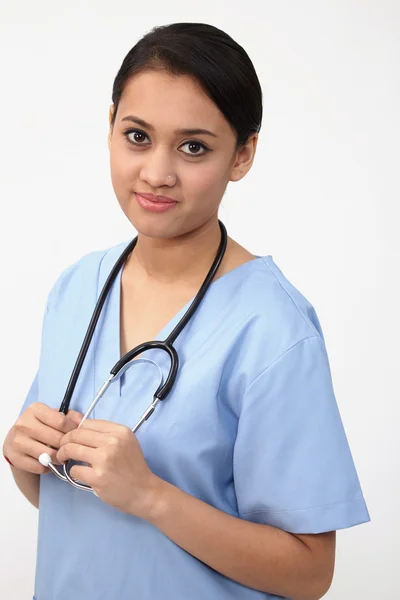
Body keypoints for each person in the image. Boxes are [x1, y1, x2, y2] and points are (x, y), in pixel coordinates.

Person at [3, 22, 370, 600]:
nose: (156, 174)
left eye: (193, 146)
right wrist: (27, 458)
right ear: (109, 128)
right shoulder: (78, 287)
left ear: (243, 154)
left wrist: (151, 494)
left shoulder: (273, 331)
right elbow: (72, 496)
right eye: (138, 136)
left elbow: (308, 573)